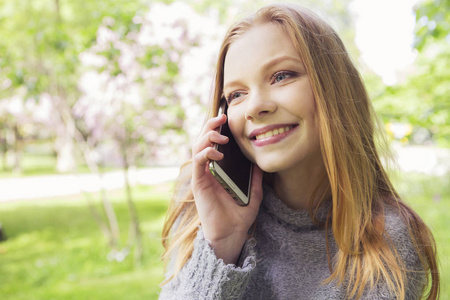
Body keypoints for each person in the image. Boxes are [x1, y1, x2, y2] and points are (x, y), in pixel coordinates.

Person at [159, 3, 440, 300]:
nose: (255, 107)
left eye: (281, 76)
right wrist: (221, 244)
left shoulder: (386, 242)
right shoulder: (200, 210)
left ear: (335, 89)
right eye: (237, 95)